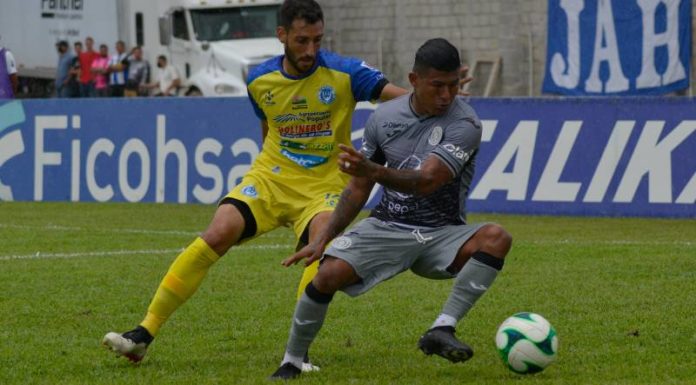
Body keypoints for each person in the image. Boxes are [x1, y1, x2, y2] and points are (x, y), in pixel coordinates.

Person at [101, 0, 471, 371]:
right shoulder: (258, 80)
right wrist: (269, 173)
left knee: (321, 239)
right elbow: (268, 131)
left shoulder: (345, 73)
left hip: (323, 186)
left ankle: (299, 353)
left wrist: (439, 90)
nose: (311, 49)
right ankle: (143, 334)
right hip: (271, 178)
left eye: (317, 40)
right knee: (218, 232)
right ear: (282, 36)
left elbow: (402, 98)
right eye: (301, 41)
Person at [269, 38, 512, 380]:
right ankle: (292, 361)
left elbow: (428, 180)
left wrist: (373, 171)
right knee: (327, 275)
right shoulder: (384, 118)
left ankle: (442, 329)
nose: (447, 95)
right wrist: (323, 236)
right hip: (388, 226)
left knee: (496, 238)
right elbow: (358, 188)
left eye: (453, 85)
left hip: (442, 233)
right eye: (437, 86)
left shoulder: (466, 124)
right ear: (414, 80)